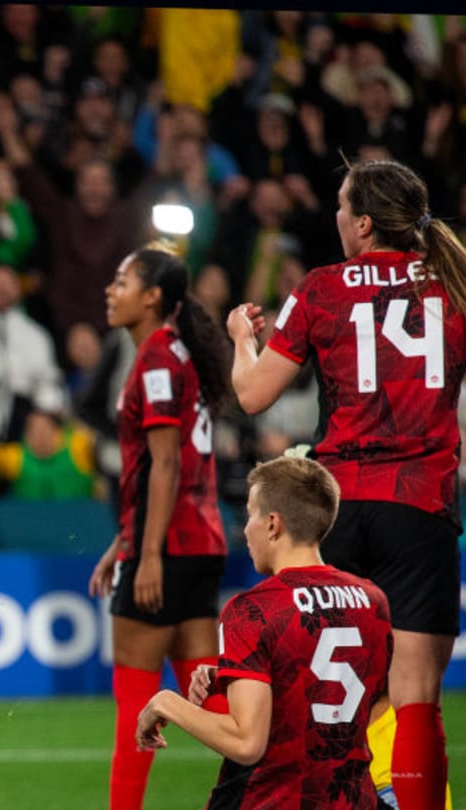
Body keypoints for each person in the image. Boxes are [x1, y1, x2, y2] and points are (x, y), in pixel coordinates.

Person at [228, 158, 466, 810]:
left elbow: (252, 395)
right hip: (421, 506)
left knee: (325, 693)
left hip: (336, 511)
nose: (335, 217)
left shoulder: (321, 288)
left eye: (340, 206)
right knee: (416, 700)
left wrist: (241, 339)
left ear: (362, 223)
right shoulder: (454, 281)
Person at [136, 456, 392, 809]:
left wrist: (166, 702)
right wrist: (235, 677)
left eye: (250, 513)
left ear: (273, 524)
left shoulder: (252, 609)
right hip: (351, 800)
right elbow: (372, 702)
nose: (245, 528)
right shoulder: (372, 600)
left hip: (271, 799)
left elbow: (247, 743)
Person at [88, 245, 233, 810]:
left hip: (167, 548)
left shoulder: (154, 359)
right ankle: (291, 783)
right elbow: (166, 469)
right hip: (200, 542)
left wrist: (144, 555)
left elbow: (166, 463)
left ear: (152, 297)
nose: (111, 289)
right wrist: (123, 541)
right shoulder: (179, 353)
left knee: (135, 705)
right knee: (217, 703)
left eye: (122, 280)